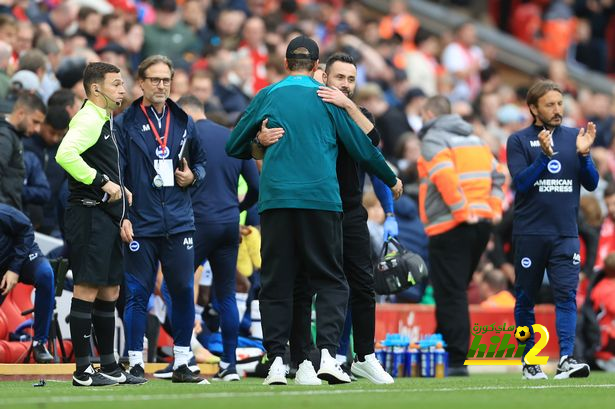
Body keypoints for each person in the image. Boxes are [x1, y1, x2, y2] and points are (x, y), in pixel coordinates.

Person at [226, 36, 402, 386]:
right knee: (332, 280)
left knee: (277, 281)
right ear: (318, 67)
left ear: (286, 62)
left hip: (276, 202)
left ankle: (278, 360)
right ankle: (325, 356)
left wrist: (259, 142)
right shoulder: (326, 100)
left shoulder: (268, 95)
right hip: (321, 202)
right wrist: (391, 176)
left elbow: (234, 145)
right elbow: (364, 149)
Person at [115, 55, 207, 384]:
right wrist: (123, 217)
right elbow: (118, 175)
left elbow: (202, 165)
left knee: (182, 290)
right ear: (140, 82)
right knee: (138, 292)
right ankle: (136, 361)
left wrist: (191, 177)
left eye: (166, 80)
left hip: (179, 221)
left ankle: (183, 360)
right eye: (154, 80)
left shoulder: (183, 120)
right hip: (141, 221)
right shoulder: (124, 124)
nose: (161, 85)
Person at [56, 62, 145, 386]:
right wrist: (103, 182)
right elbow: (65, 155)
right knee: (88, 287)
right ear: (96, 89)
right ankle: (82, 370)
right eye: (117, 84)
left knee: (110, 290)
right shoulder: (89, 118)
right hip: (88, 214)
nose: (123, 90)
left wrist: (121, 207)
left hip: (106, 216)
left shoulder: (105, 120)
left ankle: (108, 365)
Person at [506, 79, 598, 380]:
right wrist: (544, 157)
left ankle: (567, 359)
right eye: (550, 105)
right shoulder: (518, 141)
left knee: (567, 296)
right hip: (530, 234)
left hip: (565, 234)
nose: (558, 110)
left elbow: (592, 183)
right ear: (533, 108)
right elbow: (520, 184)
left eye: (560, 104)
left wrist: (584, 157)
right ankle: (529, 361)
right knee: (525, 299)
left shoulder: (576, 137)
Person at [417, 95, 505, 377]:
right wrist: (492, 208)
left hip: (451, 223)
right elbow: (499, 175)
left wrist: (460, 210)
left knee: (450, 291)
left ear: (429, 113)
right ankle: (440, 345)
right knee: (453, 288)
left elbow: (444, 176)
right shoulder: (475, 139)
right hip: (480, 225)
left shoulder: (434, 137)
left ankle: (456, 358)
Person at [177, 94, 259, 381]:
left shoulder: (185, 136)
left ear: (185, 112)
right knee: (225, 295)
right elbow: (256, 187)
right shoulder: (232, 136)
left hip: (197, 224)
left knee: (177, 287)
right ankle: (230, 365)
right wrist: (237, 209)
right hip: (228, 225)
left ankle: (183, 356)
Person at [0, 204, 54, 363]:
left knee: (45, 274)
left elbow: (26, 228)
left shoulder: (3, 213)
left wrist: (14, 269)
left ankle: (40, 344)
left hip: (24, 256)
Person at [0, 92, 46, 211]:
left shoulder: (13, 135)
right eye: (35, 122)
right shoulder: (5, 136)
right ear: (21, 113)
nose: (37, 129)